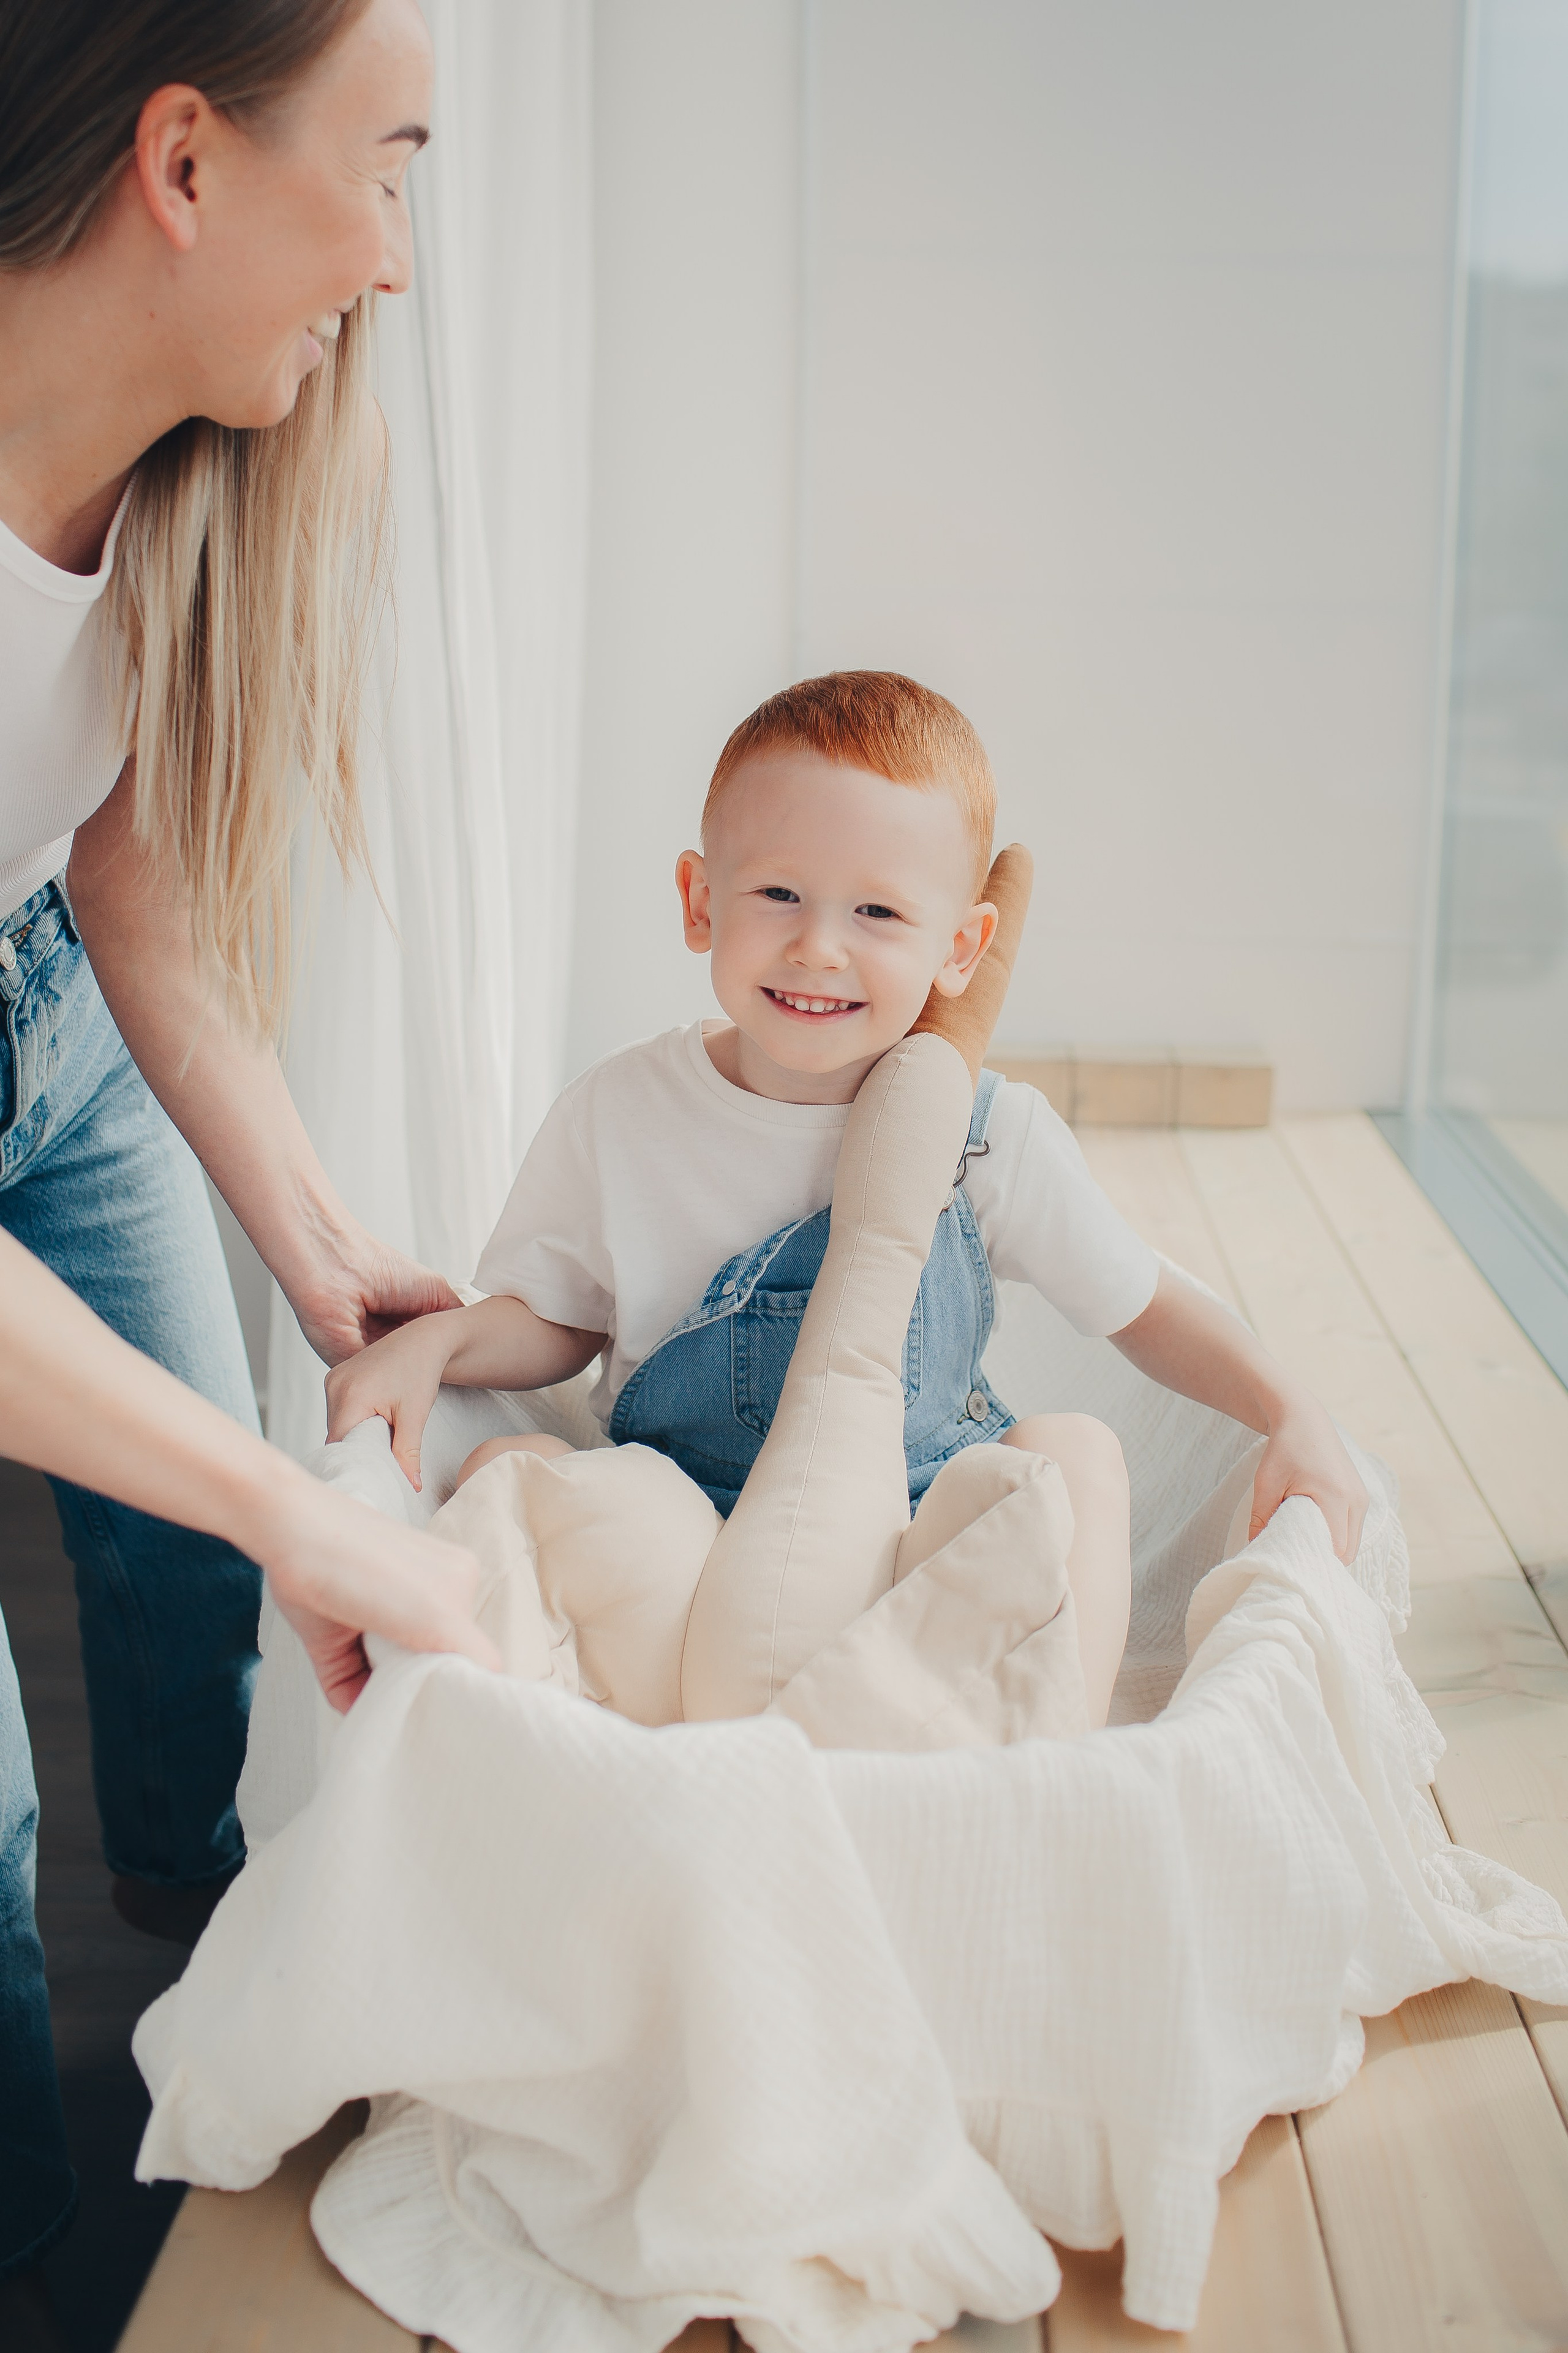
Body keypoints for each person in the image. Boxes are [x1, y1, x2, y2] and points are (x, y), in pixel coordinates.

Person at [0, 0, 494, 2313]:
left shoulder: (183, 460)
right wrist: (288, 1494)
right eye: (383, 165)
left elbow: (132, 890)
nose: (397, 257)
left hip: (47, 1018)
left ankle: (210, 1995)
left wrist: (319, 1258)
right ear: (182, 162)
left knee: (196, 1577)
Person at [325, 671, 1370, 1726]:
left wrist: (1291, 1411)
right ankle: (661, 1734)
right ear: (699, 900)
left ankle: (1030, 1764)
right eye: (778, 893)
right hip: (685, 1534)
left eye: (877, 910)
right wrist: (441, 1345)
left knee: (1074, 1462)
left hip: (917, 1549)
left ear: (960, 948)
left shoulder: (985, 1132)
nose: (819, 943)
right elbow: (554, 1320)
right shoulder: (624, 1111)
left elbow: (1145, 1305)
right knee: (517, 1472)